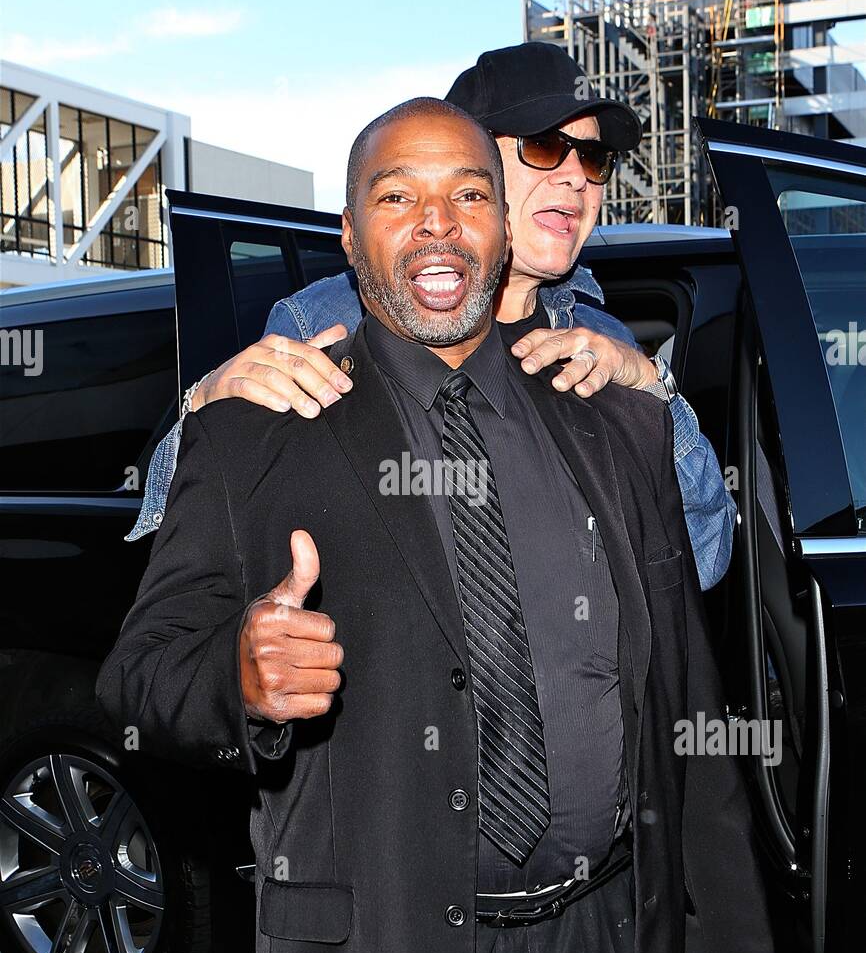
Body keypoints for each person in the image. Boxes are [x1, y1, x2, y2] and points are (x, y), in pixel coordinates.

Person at [98, 97, 772, 953]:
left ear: (499, 228)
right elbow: (139, 675)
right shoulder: (255, 425)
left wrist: (725, 923)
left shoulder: (615, 418)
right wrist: (239, 679)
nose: (436, 223)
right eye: (396, 197)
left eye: (465, 195)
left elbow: (679, 677)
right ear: (346, 235)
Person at [129, 42, 736, 593]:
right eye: (547, 147)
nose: (577, 177)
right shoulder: (332, 319)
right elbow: (191, 544)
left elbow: (701, 560)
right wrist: (204, 409)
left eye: (595, 158)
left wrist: (656, 394)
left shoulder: (602, 338)